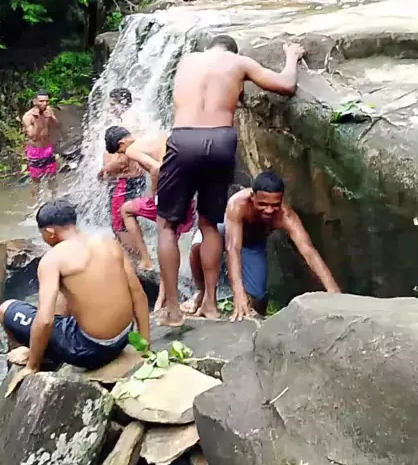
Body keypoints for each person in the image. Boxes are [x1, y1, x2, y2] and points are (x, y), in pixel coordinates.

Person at [155, 34, 305, 326]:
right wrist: (292, 56)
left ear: (209, 47)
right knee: (209, 223)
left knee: (167, 226)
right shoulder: (239, 63)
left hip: (183, 139)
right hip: (220, 140)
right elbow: (286, 85)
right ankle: (210, 304)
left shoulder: (188, 60)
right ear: (233, 51)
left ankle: (171, 307)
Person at [0, 199, 150, 381]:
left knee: (5, 309)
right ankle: (44, 350)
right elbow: (138, 294)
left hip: (89, 350)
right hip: (124, 338)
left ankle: (37, 357)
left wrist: (32, 366)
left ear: (50, 232)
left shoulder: (53, 259)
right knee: (64, 292)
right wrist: (145, 346)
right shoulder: (109, 242)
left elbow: (45, 320)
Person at [188, 170, 341, 320]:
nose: (269, 210)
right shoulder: (238, 204)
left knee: (257, 299)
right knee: (199, 245)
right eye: (262, 204)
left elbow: (309, 251)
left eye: (275, 205)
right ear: (252, 197)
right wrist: (238, 292)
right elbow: (232, 248)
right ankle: (202, 292)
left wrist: (335, 293)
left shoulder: (286, 215)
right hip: (226, 233)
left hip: (252, 244)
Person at [105, 128, 195, 275]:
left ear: (122, 143)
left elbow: (156, 168)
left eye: (120, 152)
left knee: (126, 210)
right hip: (185, 189)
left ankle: (147, 261)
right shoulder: (150, 138)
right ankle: (179, 270)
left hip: (170, 191)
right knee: (173, 231)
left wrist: (154, 194)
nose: (123, 155)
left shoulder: (131, 149)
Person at [99, 126, 146, 251]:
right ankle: (138, 251)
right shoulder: (138, 140)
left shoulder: (126, 146)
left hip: (123, 184)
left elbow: (122, 162)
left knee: (120, 223)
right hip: (136, 182)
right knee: (129, 218)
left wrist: (105, 169)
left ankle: (133, 254)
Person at [22, 90, 59, 203]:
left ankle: (54, 200)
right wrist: (37, 120)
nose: (45, 104)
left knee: (52, 177)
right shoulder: (28, 117)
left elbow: (56, 126)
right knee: (36, 181)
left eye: (47, 101)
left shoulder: (48, 110)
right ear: (35, 102)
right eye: (41, 101)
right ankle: (36, 204)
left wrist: (51, 117)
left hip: (47, 149)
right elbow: (32, 136)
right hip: (35, 152)